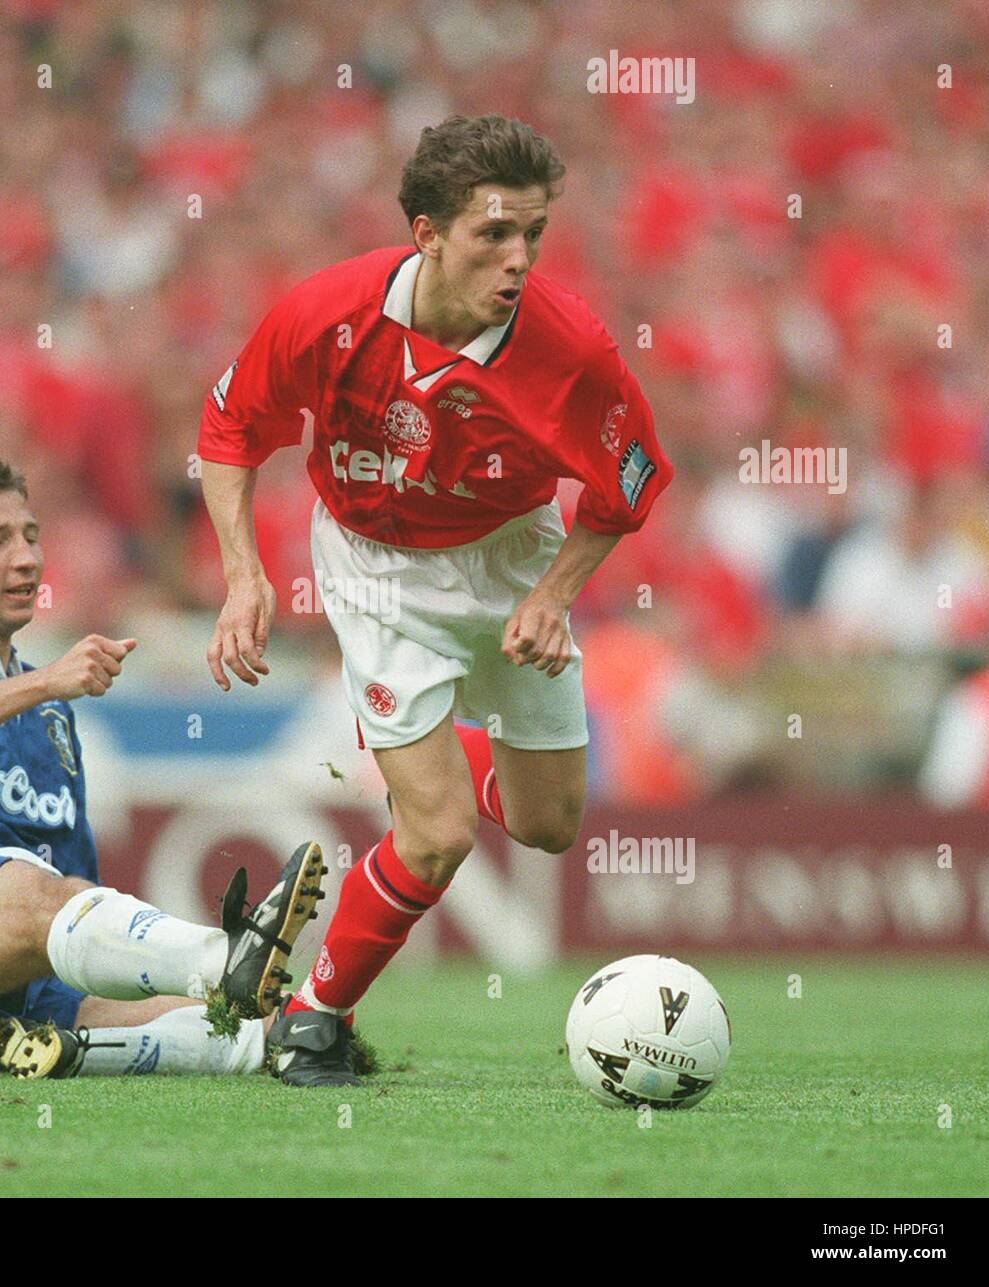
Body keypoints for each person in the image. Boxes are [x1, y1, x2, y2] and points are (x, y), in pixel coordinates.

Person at [198, 115, 672, 1086]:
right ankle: (309, 1020)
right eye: (493, 233)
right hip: (376, 571)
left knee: (547, 827)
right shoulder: (325, 314)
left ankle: (417, 750)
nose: (517, 258)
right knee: (439, 834)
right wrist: (244, 575)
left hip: (509, 559)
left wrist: (551, 594)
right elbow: (230, 432)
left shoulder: (569, 351)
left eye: (532, 234)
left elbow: (628, 483)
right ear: (426, 233)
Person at [0, 456, 325, 1077]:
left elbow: (71, 890)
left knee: (249, 1023)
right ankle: (225, 957)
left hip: (1, 983)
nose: (27, 557)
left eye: (29, 534)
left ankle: (174, 1040)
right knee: (41, 896)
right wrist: (47, 681)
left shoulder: (51, 716)